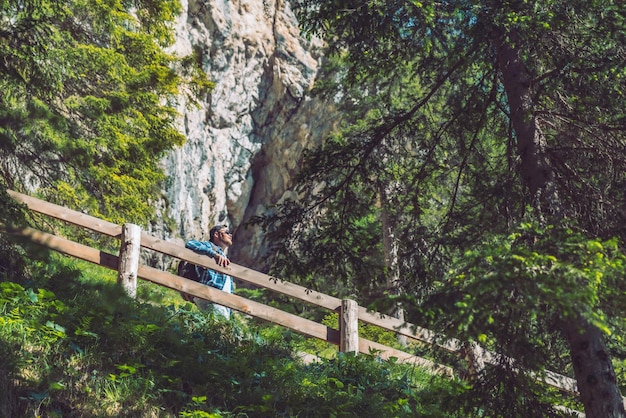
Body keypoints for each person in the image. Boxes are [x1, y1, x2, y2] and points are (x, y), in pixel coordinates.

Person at [185, 224, 234, 318]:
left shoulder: (224, 257)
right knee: (220, 328)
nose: (230, 235)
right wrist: (214, 254)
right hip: (210, 295)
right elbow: (190, 244)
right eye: (227, 232)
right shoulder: (209, 247)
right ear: (216, 234)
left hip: (222, 300)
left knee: (217, 328)